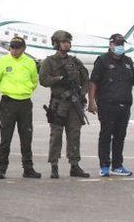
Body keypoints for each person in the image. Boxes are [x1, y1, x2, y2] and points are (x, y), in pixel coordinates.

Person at [39, 30, 90, 179]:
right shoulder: (49, 62)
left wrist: (82, 94)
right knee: (56, 135)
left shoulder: (75, 61)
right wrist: (59, 79)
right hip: (58, 103)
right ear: (56, 43)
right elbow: (43, 80)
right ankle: (54, 165)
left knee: (74, 133)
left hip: (74, 104)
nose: (66, 44)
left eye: (68, 42)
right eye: (63, 42)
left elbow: (86, 79)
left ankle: (74, 165)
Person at [0, 37, 40, 179]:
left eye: (18, 48)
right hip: (8, 103)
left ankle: (28, 168)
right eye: (12, 47)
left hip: (25, 103)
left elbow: (34, 81)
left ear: (24, 48)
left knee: (26, 137)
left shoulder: (29, 62)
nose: (15, 50)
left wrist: (25, 89)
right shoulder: (2, 61)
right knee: (5, 138)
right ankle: (2, 168)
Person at [88, 34, 134, 177]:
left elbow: (133, 80)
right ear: (111, 44)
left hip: (124, 105)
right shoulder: (102, 61)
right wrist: (91, 101)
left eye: (122, 44)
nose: (120, 46)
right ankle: (104, 165)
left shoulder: (127, 61)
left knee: (120, 136)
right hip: (107, 104)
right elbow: (93, 82)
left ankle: (117, 165)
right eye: (117, 44)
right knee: (106, 135)